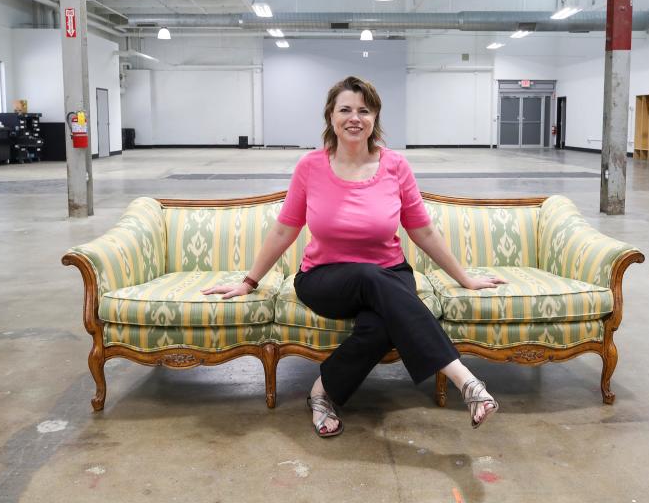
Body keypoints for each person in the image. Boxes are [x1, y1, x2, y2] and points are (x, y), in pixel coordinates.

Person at [203, 76, 504, 437]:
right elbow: (285, 229)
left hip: (390, 274)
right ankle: (466, 381)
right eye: (345, 109)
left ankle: (322, 392)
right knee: (368, 275)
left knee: (380, 324)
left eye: (364, 110)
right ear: (330, 116)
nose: (354, 117)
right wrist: (248, 281)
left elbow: (422, 230)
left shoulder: (395, 166)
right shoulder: (310, 167)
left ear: (375, 117)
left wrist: (465, 278)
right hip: (325, 279)